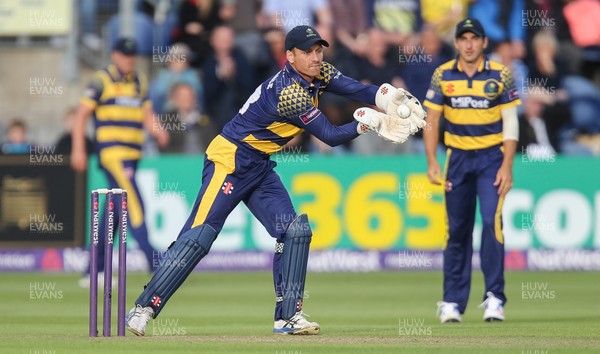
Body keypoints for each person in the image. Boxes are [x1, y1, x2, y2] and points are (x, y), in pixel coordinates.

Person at [125, 25, 426, 336]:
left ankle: (287, 317)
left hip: (258, 165)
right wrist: (369, 123)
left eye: (318, 50)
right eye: (307, 52)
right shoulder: (289, 93)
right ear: (290, 56)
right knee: (200, 235)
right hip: (229, 159)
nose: (315, 56)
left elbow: (354, 89)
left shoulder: (320, 71)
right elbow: (331, 136)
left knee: (294, 230)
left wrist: (385, 96)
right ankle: (143, 308)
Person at [423, 19, 521, 323]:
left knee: (492, 223)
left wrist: (507, 164)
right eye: (463, 38)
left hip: (492, 158)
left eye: (474, 38)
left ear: (483, 43)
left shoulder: (501, 74)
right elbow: (432, 120)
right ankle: (452, 302)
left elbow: (511, 122)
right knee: (456, 230)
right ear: (456, 43)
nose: (468, 44)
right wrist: (432, 161)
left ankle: (495, 298)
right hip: (458, 159)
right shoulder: (443, 74)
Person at [71, 38, 169, 284]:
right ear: (114, 55)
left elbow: (147, 116)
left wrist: (159, 130)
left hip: (132, 156)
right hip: (112, 155)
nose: (129, 60)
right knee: (134, 207)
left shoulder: (139, 82)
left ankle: (94, 270)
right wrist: (78, 149)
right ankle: (156, 263)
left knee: (113, 213)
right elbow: (81, 116)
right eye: (125, 56)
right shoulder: (101, 80)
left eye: (132, 55)